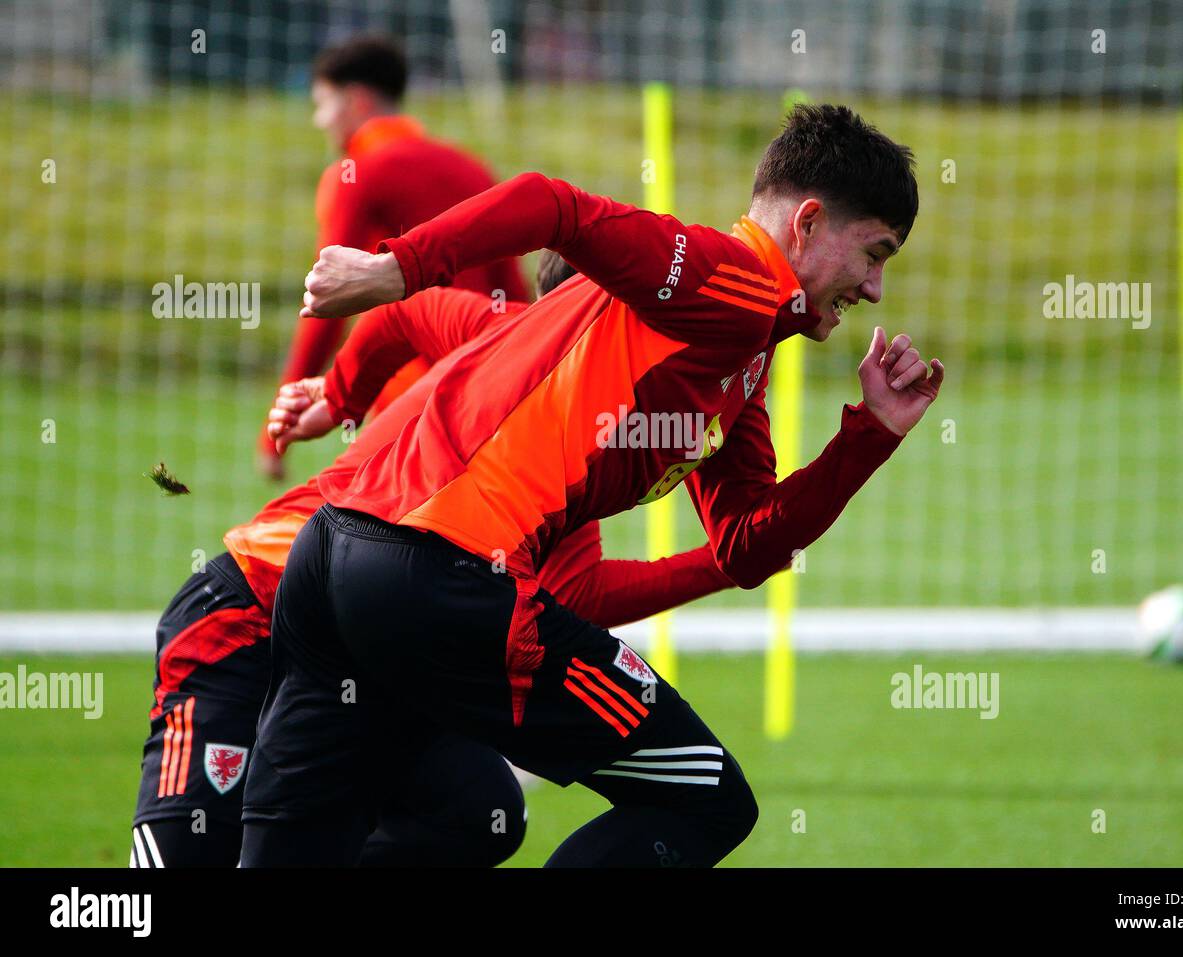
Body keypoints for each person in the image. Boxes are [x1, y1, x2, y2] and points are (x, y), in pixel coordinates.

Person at [241, 104, 944, 867]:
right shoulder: (732, 278)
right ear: (807, 223)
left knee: (412, 828)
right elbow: (554, 205)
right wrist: (394, 267)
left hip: (333, 559)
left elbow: (744, 546)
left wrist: (871, 434)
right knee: (707, 799)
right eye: (875, 253)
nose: (874, 288)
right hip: (446, 578)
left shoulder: (745, 348)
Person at [132, 253, 731, 867]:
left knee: (477, 815)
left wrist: (341, 397)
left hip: (371, 650)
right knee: (187, 855)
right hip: (250, 607)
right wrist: (723, 564)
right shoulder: (554, 395)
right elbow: (581, 596)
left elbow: (406, 313)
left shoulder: (556, 389)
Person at [257, 33, 529, 478]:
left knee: (363, 525)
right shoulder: (470, 166)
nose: (318, 120)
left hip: (411, 392)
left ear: (357, 101)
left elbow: (325, 301)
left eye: (323, 104)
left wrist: (274, 427)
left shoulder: (356, 174)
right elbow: (511, 287)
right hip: (491, 385)